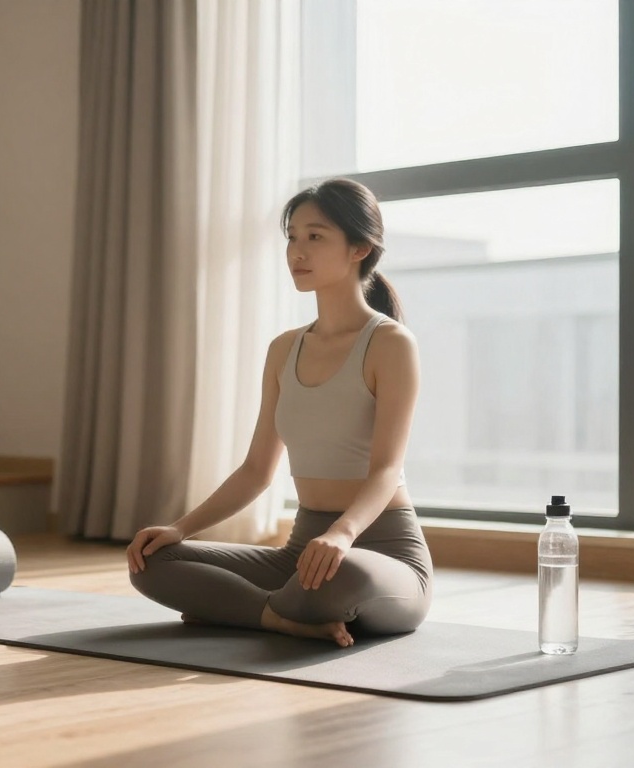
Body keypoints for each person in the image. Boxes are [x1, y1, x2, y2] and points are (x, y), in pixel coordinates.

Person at [125, 178, 432, 647]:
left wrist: (342, 535)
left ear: (359, 249)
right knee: (154, 561)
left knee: (336, 575)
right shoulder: (284, 349)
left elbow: (387, 469)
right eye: (292, 236)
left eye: (315, 236)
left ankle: (240, 609)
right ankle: (277, 617)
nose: (297, 251)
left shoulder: (389, 344)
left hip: (377, 552)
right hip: (300, 554)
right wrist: (179, 528)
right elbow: (255, 471)